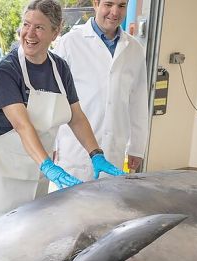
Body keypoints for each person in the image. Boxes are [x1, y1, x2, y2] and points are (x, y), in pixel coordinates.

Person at [0, 0, 124, 237]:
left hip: (36, 170)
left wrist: (96, 154)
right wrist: (49, 167)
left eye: (39, 27)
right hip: (1, 170)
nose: (29, 33)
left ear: (55, 32)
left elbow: (76, 117)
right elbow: (22, 125)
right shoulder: (8, 69)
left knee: (26, 237)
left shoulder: (60, 69)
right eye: (26, 25)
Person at [54, 0, 150, 179]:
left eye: (121, 6)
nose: (114, 12)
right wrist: (51, 145)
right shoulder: (70, 43)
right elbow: (55, 98)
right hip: (75, 151)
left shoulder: (135, 49)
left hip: (114, 149)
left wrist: (137, 147)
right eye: (108, 4)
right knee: (72, 205)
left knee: (110, 204)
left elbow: (138, 102)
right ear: (96, 3)